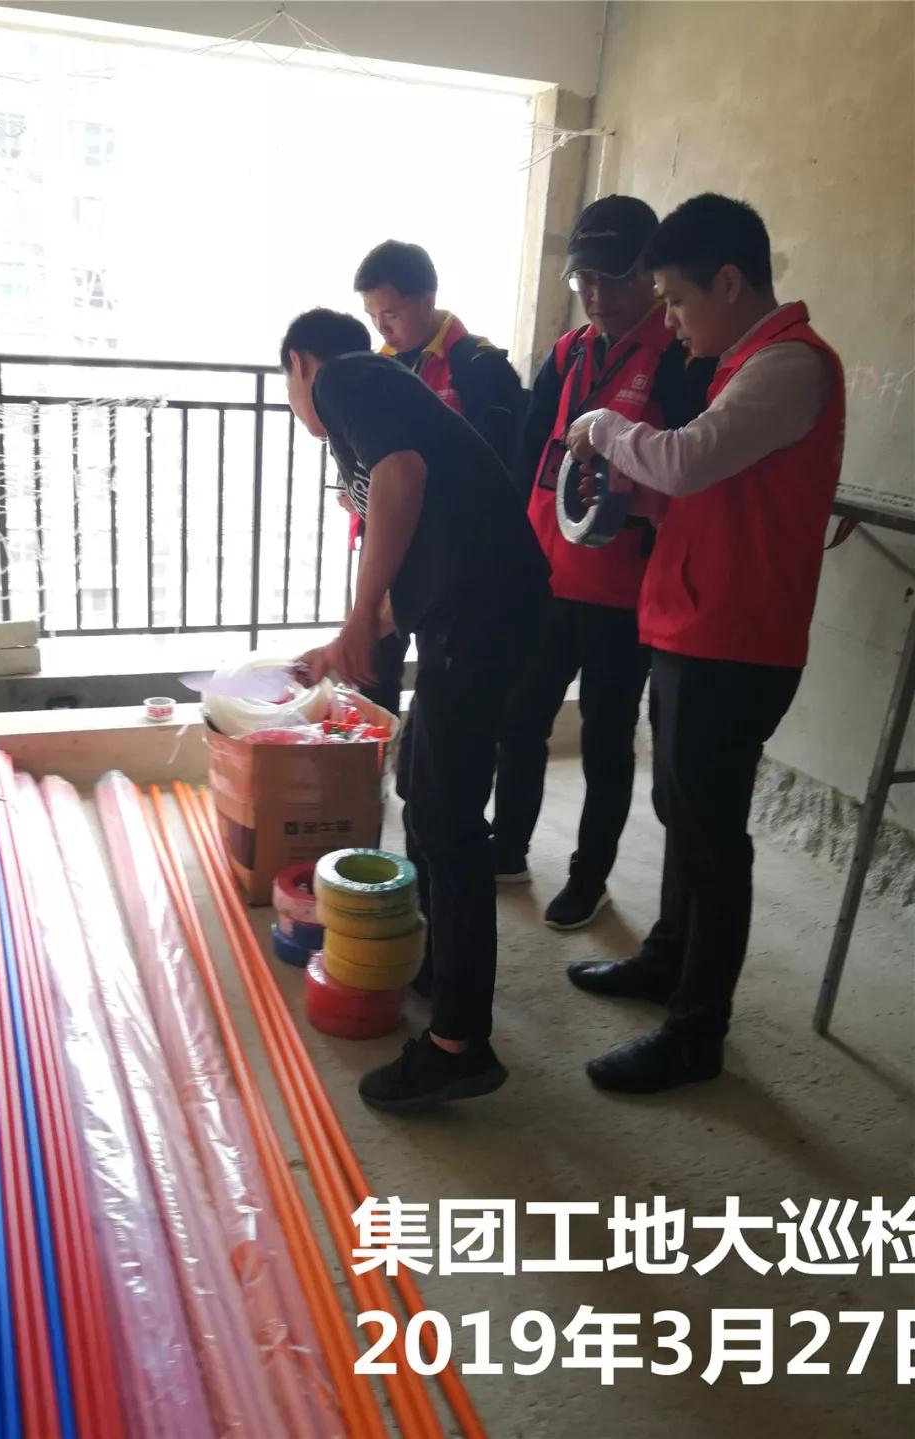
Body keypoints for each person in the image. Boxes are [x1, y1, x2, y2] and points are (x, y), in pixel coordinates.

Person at [563, 193, 845, 1093]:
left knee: (712, 837)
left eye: (678, 300)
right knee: (682, 813)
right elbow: (707, 488)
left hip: (737, 639)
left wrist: (605, 426)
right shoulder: (743, 363)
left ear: (729, 282)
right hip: (695, 623)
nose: (673, 321)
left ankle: (696, 1032)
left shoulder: (789, 364)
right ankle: (666, 959)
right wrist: (633, 495)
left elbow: (687, 460)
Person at [281, 308, 549, 1111]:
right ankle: (443, 970)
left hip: (484, 612)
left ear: (298, 365)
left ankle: (458, 1043)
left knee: (446, 814)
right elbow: (426, 549)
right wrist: (348, 638)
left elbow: (402, 475)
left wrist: (360, 614)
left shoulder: (346, 377)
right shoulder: (382, 389)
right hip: (475, 606)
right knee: (424, 795)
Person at [492, 196, 715, 930]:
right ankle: (508, 844)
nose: (596, 293)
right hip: (547, 578)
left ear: (650, 275)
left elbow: (689, 473)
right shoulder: (568, 353)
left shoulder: (681, 358)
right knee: (521, 717)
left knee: (604, 741)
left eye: (613, 277)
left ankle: (589, 878)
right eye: (584, 278)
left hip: (625, 593)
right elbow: (528, 457)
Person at [350, 239, 524, 717]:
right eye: (372, 316)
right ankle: (371, 759)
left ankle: (418, 761)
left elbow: (495, 473)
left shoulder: (478, 367)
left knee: (440, 682)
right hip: (388, 544)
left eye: (391, 313)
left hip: (450, 557)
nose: (382, 328)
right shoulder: (380, 366)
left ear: (427, 299)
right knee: (372, 669)